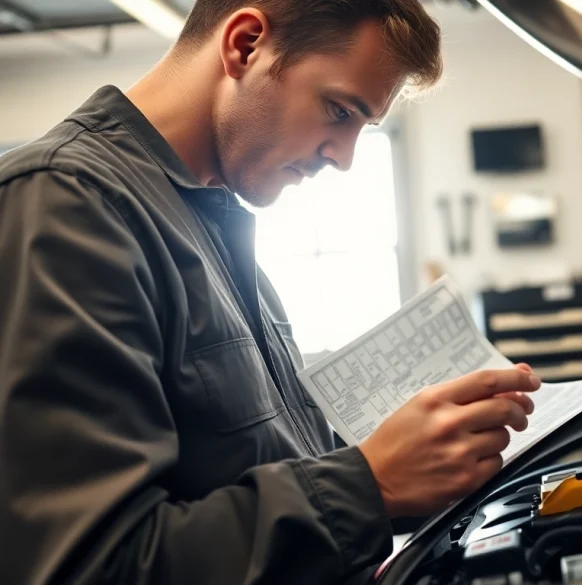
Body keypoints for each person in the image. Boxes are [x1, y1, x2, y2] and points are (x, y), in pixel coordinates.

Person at [0, 2, 541, 584]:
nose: (344, 157)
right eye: (339, 110)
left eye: (361, 127)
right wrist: (371, 483)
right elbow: (92, 566)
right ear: (245, 44)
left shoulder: (214, 226)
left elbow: (274, 471)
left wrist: (433, 464)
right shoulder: (66, 204)